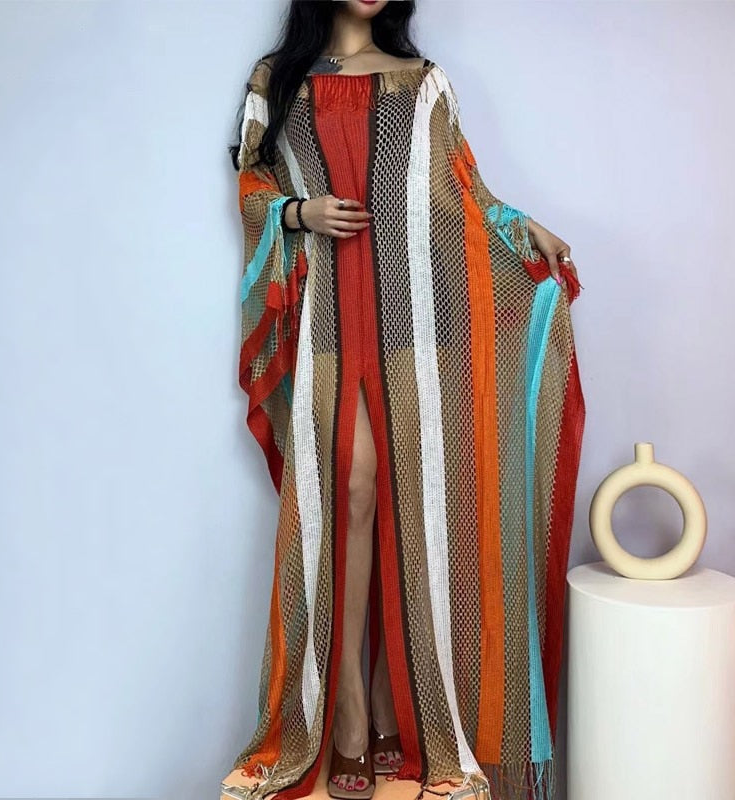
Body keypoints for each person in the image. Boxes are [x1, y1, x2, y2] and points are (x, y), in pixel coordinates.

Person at [224, 2, 585, 799]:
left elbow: (463, 193)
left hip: (419, 323)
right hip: (326, 314)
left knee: (413, 503)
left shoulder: (425, 83)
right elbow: (251, 182)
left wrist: (519, 228)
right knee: (349, 492)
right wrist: (298, 212)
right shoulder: (276, 82)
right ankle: (349, 710)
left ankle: (400, 706)